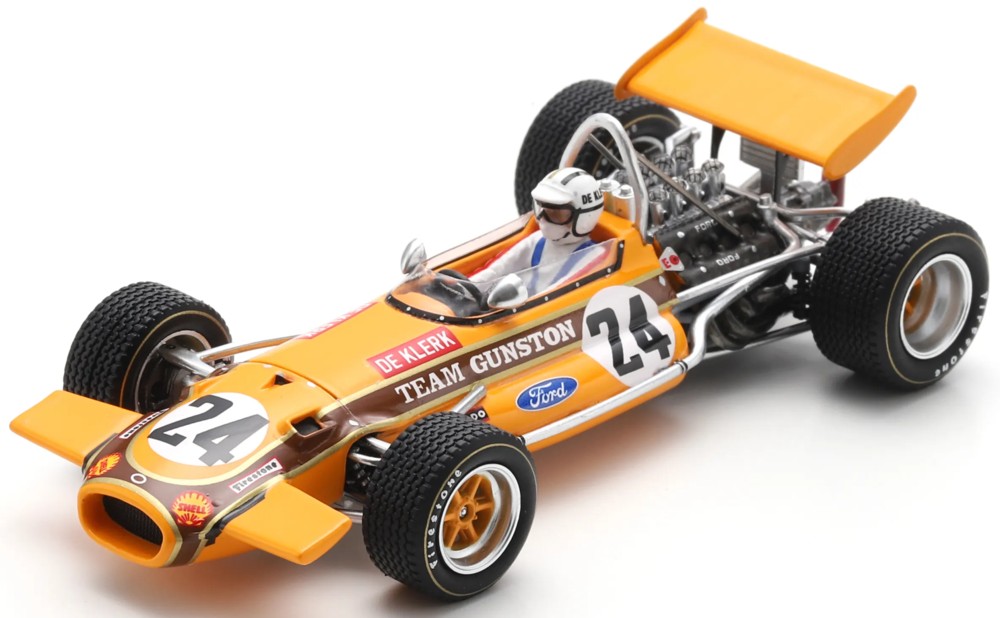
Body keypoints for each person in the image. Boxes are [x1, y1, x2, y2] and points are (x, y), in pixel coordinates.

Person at [470, 167, 605, 293]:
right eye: (542, 207)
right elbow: (496, 271)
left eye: (556, 213)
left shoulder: (593, 256)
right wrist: (468, 288)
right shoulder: (538, 240)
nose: (543, 217)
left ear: (584, 219)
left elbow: (557, 293)